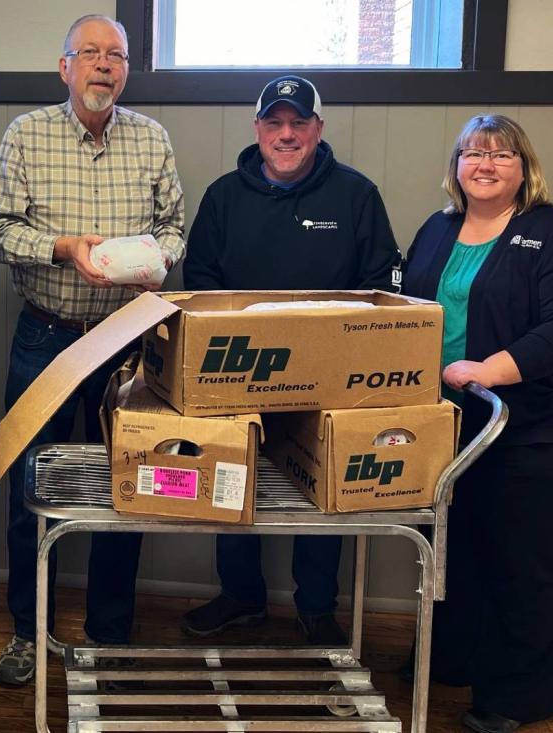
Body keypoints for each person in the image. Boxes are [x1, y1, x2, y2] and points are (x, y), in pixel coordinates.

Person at [0, 13, 185, 687]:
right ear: (65, 65)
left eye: (116, 56)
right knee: (29, 487)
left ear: (126, 70)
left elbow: (173, 229)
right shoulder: (26, 135)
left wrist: (153, 259)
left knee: (122, 487)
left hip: (126, 343)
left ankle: (109, 633)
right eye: (90, 53)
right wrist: (64, 249)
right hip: (45, 335)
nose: (104, 65)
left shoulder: (151, 140)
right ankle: (24, 627)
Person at [180, 75, 401, 645]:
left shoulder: (357, 195)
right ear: (257, 130)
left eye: (298, 123)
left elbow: (382, 285)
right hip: (239, 371)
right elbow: (199, 281)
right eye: (274, 123)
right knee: (231, 480)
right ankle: (241, 597)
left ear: (318, 129)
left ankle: (318, 607)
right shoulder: (223, 196)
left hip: (330, 379)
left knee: (323, 491)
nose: (286, 134)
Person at [400, 114, 553, 733]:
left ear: (525, 168)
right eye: (473, 153)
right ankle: (455, 659)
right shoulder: (437, 230)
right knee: (454, 552)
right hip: (454, 430)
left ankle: (518, 697)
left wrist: (493, 368)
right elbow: (410, 311)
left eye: (501, 155)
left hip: (540, 430)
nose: (485, 164)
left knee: (521, 564)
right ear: (457, 166)